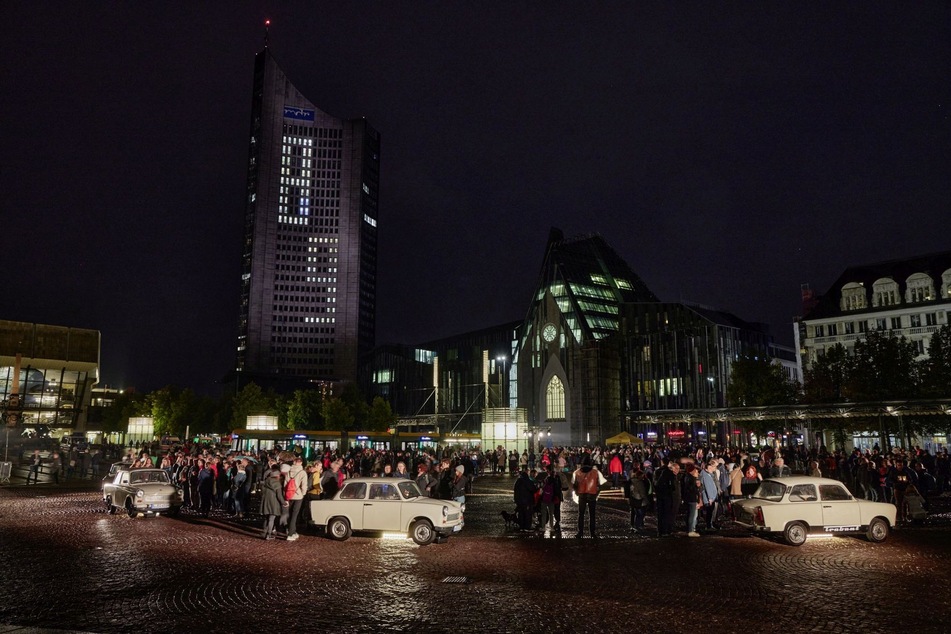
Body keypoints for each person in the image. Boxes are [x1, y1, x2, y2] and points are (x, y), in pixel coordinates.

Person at [572, 454, 602, 538]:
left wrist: (577, 492)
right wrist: (596, 494)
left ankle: (580, 532)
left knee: (581, 514)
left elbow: (575, 485)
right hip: (592, 495)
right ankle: (592, 533)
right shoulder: (595, 472)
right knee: (592, 515)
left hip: (582, 495)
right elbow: (598, 485)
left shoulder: (578, 472)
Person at [654, 460, 681, 537]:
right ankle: (664, 531)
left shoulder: (673, 476)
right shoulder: (668, 476)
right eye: (676, 468)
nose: (678, 470)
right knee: (666, 515)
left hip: (671, 499)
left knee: (669, 516)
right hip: (668, 499)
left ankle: (667, 530)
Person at [285, 457, 308, 541]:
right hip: (298, 496)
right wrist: (303, 494)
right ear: (301, 463)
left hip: (289, 495)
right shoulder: (302, 472)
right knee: (295, 514)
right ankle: (290, 534)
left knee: (290, 513)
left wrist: (286, 494)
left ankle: (291, 530)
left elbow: (285, 483)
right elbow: (304, 485)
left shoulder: (289, 471)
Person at [259, 465, 285, 540]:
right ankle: (269, 534)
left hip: (266, 502)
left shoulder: (266, 481)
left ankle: (264, 532)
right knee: (271, 519)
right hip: (274, 503)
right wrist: (284, 503)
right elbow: (279, 496)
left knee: (267, 518)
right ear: (277, 476)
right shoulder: (277, 484)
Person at [626, 466, 650, 533]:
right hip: (640, 500)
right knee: (640, 514)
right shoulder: (640, 483)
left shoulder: (632, 481)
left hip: (634, 499)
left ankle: (635, 526)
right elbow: (642, 493)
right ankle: (637, 526)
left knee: (636, 513)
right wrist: (646, 500)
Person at [539, 465, 563, 530]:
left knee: (544, 513)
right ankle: (552, 527)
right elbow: (560, 487)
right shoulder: (557, 478)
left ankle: (543, 527)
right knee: (551, 513)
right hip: (553, 498)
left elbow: (542, 488)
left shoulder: (546, 479)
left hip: (545, 498)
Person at [699, 459, 721, 531]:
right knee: (709, 512)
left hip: (711, 497)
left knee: (711, 512)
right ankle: (709, 526)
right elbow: (708, 487)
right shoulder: (706, 475)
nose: (715, 468)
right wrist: (710, 498)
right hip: (709, 498)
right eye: (714, 467)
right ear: (710, 467)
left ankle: (710, 525)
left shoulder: (709, 474)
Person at [682, 464, 702, 537]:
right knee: (692, 515)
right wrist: (697, 487)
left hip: (688, 498)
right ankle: (691, 530)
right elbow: (692, 489)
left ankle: (690, 529)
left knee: (690, 515)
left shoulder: (686, 477)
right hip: (692, 499)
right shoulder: (691, 478)